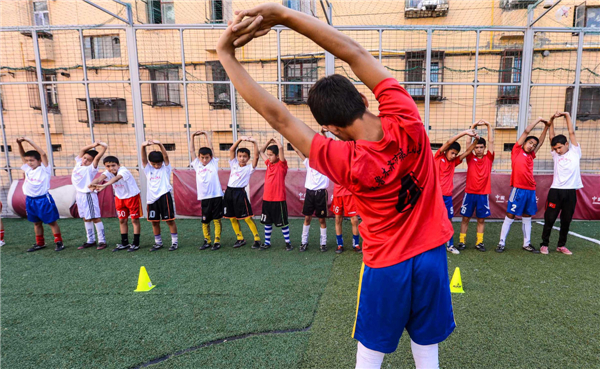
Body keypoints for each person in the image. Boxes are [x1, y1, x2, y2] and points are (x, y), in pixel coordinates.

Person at [217, 5, 455, 368]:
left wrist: (225, 54)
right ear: (363, 98)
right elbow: (353, 52)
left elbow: (278, 117)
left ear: (331, 128)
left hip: (387, 264)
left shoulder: (343, 159)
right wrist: (282, 14)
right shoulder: (406, 116)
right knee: (427, 351)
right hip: (433, 255)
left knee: (371, 354)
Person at [496, 117, 550, 253]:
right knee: (510, 215)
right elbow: (526, 131)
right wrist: (538, 120)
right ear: (525, 142)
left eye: (533, 145)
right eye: (530, 143)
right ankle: (501, 242)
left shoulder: (531, 155)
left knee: (527, 216)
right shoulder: (516, 150)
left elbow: (541, 142)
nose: (531, 145)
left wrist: (546, 127)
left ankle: (527, 243)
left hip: (530, 190)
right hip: (518, 190)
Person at [540, 112, 582, 255]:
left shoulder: (575, 152)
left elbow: (571, 132)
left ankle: (561, 245)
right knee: (550, 218)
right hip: (556, 191)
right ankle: (544, 244)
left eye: (559, 147)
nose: (557, 150)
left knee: (566, 220)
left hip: (570, 192)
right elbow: (552, 137)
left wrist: (566, 115)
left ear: (566, 144)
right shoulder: (556, 155)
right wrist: (551, 120)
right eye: (555, 148)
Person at [435, 129, 479, 255]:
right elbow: (449, 142)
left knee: (448, 221)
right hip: (435, 196)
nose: (454, 155)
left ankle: (450, 245)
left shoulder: (454, 162)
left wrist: (476, 140)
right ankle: (429, 245)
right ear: (447, 151)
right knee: (432, 221)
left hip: (447, 197)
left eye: (456, 154)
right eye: (452, 153)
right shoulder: (438, 157)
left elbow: (468, 152)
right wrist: (465, 133)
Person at [16, 137, 64, 252]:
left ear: (39, 161)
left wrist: (28, 141)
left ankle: (59, 242)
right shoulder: (28, 169)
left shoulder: (44, 169)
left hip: (43, 200)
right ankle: (40, 243)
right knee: (36, 223)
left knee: (51, 222)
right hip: (30, 200)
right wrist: (19, 144)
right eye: (27, 161)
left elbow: (42, 153)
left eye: (32, 160)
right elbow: (23, 155)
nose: (29, 163)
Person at [89, 156, 142, 252]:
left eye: (113, 165)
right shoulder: (108, 172)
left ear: (118, 165)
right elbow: (100, 178)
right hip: (119, 198)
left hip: (132, 197)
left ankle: (136, 243)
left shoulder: (123, 171)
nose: (111, 168)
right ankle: (124, 243)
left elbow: (117, 178)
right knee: (122, 220)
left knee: (134, 220)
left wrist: (104, 185)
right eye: (108, 166)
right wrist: (91, 184)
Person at [457, 120, 495, 252]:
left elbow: (491, 141)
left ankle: (479, 242)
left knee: (481, 220)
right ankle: (462, 241)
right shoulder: (470, 158)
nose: (478, 149)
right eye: (476, 147)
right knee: (465, 218)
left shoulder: (489, 158)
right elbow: (468, 143)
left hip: (483, 194)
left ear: (484, 148)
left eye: (481, 147)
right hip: (470, 193)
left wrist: (488, 125)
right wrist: (472, 127)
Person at [224, 135, 262, 249]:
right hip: (229, 192)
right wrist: (240, 139)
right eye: (240, 156)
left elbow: (256, 156)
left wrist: (254, 142)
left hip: (240, 194)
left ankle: (257, 239)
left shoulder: (249, 168)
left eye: (245, 156)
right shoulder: (233, 164)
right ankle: (240, 238)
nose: (242, 158)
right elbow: (231, 149)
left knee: (247, 217)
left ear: (248, 158)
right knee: (232, 217)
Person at [141, 140, 179, 251]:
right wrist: (143, 146)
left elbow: (166, 156)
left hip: (164, 197)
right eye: (154, 164)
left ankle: (174, 243)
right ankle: (158, 243)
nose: (157, 166)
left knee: (170, 220)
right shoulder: (148, 170)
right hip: (152, 200)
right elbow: (143, 159)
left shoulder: (165, 168)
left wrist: (159, 144)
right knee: (154, 222)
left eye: (159, 163)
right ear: (150, 163)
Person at [292, 139, 329, 252]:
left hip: (321, 194)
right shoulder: (309, 162)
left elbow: (329, 150)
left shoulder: (326, 165)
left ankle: (323, 243)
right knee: (307, 218)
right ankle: (304, 242)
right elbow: (298, 151)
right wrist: (290, 137)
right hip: (310, 193)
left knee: (321, 220)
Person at [190, 131, 224, 251]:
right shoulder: (197, 165)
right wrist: (192, 136)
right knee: (205, 220)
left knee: (216, 219)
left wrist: (206, 135)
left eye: (207, 158)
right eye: (202, 158)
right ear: (199, 157)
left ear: (210, 157)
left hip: (216, 196)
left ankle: (217, 241)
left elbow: (212, 148)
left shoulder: (213, 163)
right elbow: (192, 151)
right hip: (204, 197)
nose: (204, 160)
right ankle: (207, 240)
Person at [72, 141, 107, 250]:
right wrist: (93, 145)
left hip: (88, 195)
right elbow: (82, 150)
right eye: (84, 158)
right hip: (79, 195)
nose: (85, 160)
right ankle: (90, 240)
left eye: (88, 160)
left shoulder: (91, 168)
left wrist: (103, 148)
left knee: (95, 218)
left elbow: (97, 158)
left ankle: (102, 241)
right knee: (86, 218)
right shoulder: (78, 163)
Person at [258, 137, 291, 251]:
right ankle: (267, 242)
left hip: (279, 199)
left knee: (283, 223)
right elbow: (260, 152)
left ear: (277, 156)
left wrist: (275, 140)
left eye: (271, 154)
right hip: (267, 199)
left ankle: (288, 243)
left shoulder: (282, 165)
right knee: (267, 222)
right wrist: (268, 142)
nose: (269, 156)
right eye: (268, 154)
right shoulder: (268, 164)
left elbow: (281, 148)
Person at [331, 183, 362, 254]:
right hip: (337, 192)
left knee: (355, 220)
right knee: (338, 219)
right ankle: (340, 244)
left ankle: (356, 244)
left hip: (349, 192)